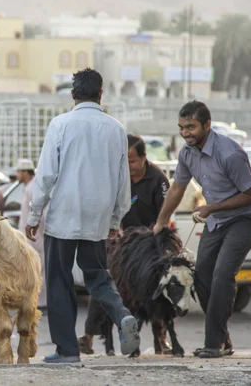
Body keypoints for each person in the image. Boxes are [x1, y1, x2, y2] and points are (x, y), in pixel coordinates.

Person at [25, 68, 140, 363]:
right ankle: (122, 314)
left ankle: (67, 350)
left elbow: (47, 174)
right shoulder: (116, 129)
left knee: (60, 281)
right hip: (97, 217)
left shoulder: (61, 124)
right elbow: (122, 182)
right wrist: (114, 221)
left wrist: (34, 215)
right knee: (98, 277)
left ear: (73, 95)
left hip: (64, 215)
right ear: (101, 95)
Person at [153, 100, 251, 359]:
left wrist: (212, 207)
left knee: (222, 274)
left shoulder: (230, 154)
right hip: (217, 220)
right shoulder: (186, 153)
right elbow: (177, 188)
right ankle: (224, 339)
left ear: (207, 125)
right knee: (202, 276)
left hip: (246, 218)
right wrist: (161, 220)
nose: (185, 133)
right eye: (181, 128)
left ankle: (213, 343)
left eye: (191, 127)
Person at [78, 134, 170, 354]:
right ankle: (88, 336)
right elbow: (106, 205)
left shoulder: (159, 179)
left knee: (160, 285)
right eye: (124, 161)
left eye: (132, 162)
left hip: (149, 242)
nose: (128, 167)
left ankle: (162, 337)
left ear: (144, 158)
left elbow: (165, 215)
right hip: (121, 239)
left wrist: (155, 235)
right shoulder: (117, 177)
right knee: (102, 279)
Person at [16, 158, 46, 309]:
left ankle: (40, 303)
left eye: (19, 171)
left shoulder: (33, 187)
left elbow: (38, 212)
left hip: (35, 237)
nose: (16, 174)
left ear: (25, 172)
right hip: (30, 237)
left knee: (38, 270)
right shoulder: (29, 186)